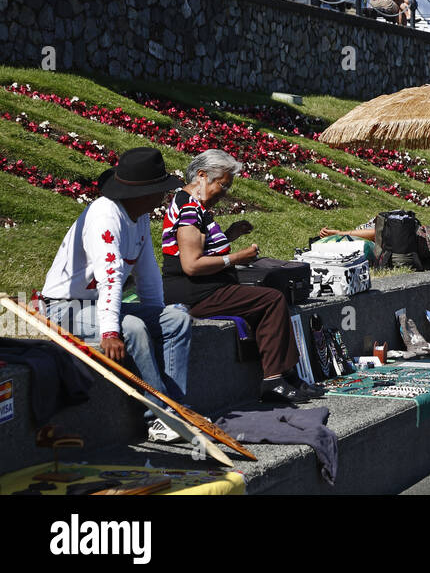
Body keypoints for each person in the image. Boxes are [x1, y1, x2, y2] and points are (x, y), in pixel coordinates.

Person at [40, 148, 193, 442]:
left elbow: (147, 276)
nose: (163, 197)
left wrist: (157, 318)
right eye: (159, 190)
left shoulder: (140, 217)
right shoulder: (104, 215)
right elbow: (110, 278)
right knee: (132, 328)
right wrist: (110, 331)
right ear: (142, 193)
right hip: (64, 308)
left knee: (176, 319)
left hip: (98, 305)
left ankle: (177, 410)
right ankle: (158, 417)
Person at [161, 150, 321, 405]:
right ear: (202, 176)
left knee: (270, 294)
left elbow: (202, 247)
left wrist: (230, 235)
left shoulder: (196, 205)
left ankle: (287, 375)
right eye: (222, 185)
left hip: (207, 286)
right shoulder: (189, 208)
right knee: (271, 300)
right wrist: (237, 258)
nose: (225, 192)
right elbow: (191, 264)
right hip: (196, 291)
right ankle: (274, 379)